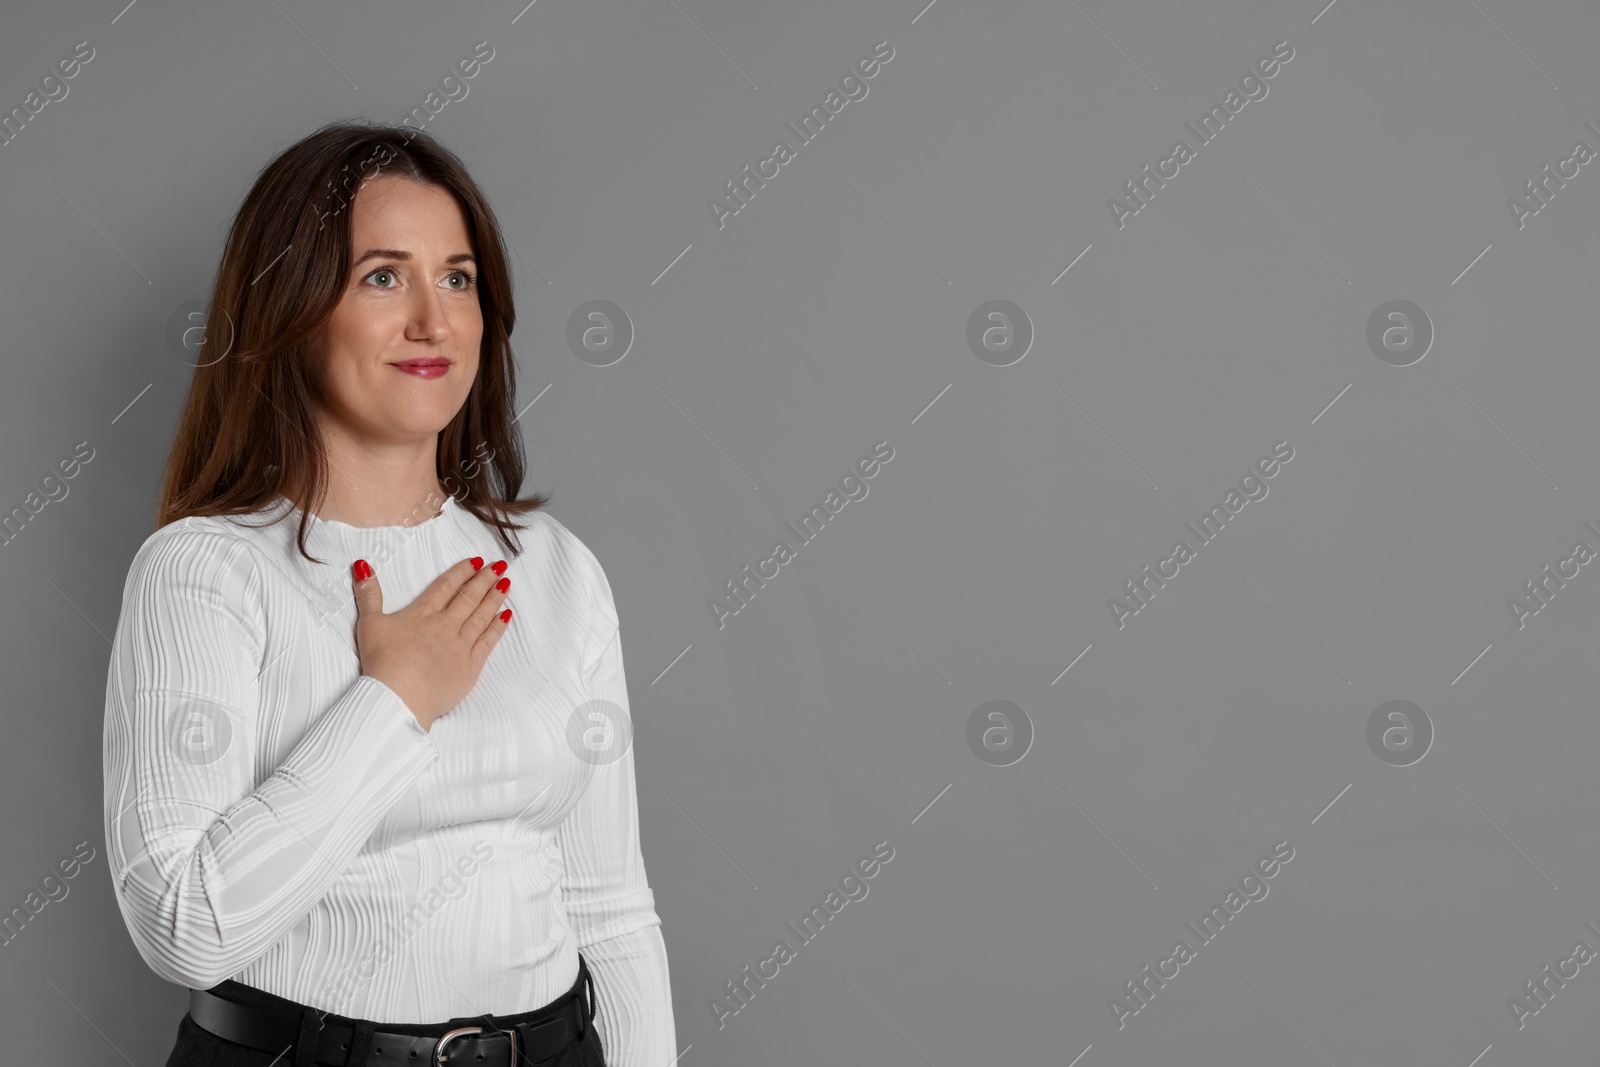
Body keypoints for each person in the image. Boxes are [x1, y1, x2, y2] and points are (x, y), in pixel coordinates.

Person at [102, 120, 675, 1067]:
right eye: (382, 275)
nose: (433, 320)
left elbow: (610, 910)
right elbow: (184, 925)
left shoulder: (554, 566)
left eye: (457, 277)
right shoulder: (203, 572)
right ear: (288, 307)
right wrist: (394, 699)